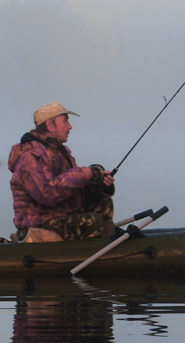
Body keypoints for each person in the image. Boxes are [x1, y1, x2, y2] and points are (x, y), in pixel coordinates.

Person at [8, 102, 117, 241]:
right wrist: (83, 175)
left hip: (60, 217)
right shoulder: (31, 157)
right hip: (39, 225)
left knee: (103, 202)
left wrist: (99, 185)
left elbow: (71, 189)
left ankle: (110, 247)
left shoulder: (61, 152)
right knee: (90, 221)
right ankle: (91, 254)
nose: (70, 126)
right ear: (50, 125)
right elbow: (47, 194)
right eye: (65, 121)